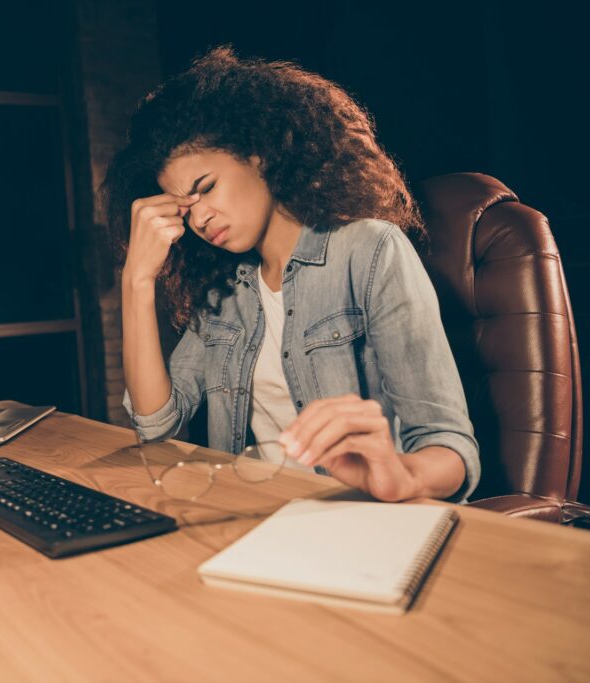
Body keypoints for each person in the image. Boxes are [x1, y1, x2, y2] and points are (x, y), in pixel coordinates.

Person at [102, 47, 479, 503]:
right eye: (184, 207)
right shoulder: (225, 292)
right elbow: (157, 425)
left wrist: (403, 475)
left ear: (260, 155)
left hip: (354, 522)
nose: (198, 218)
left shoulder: (369, 250)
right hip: (249, 515)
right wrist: (136, 281)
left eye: (206, 188)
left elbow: (450, 447)